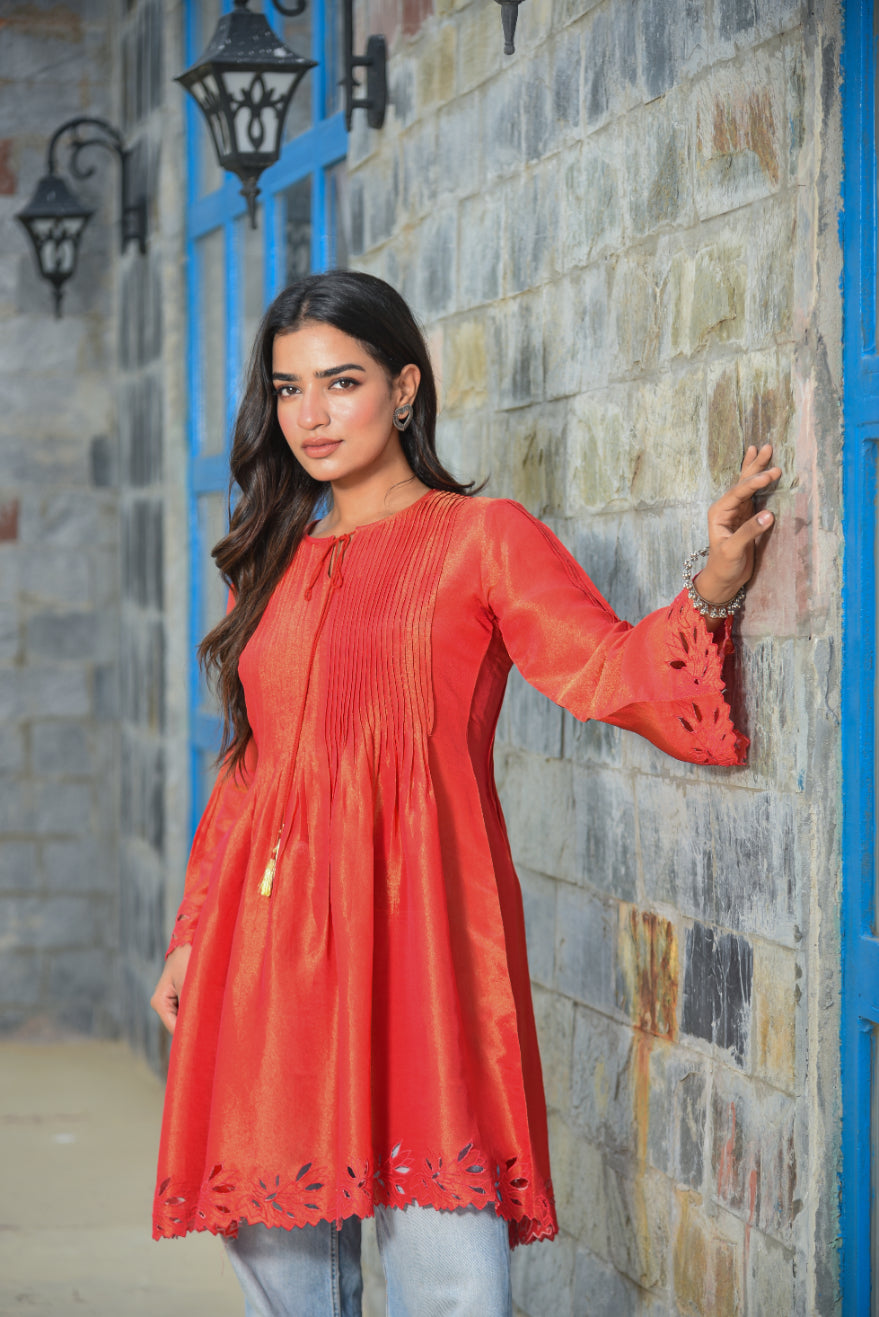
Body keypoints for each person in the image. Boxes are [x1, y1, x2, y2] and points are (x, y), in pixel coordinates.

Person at [150, 270, 779, 1317]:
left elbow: (607, 670)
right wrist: (191, 929)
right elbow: (252, 768)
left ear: (404, 388)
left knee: (452, 1269)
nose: (311, 414)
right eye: (289, 387)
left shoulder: (483, 539)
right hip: (265, 946)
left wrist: (711, 582)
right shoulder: (268, 560)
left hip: (421, 927)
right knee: (282, 1267)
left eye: (340, 382)